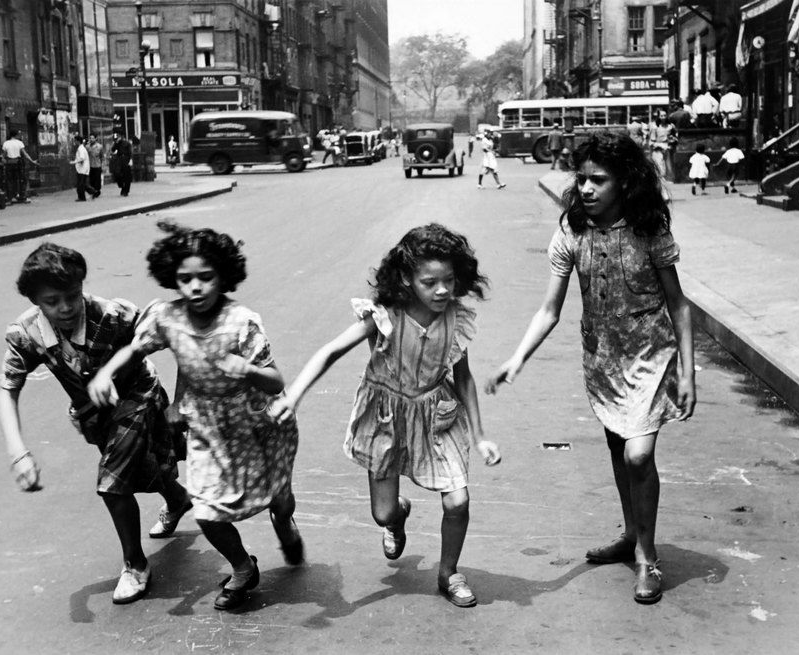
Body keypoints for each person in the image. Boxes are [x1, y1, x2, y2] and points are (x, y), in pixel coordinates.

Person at [486, 132, 695, 605]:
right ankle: (629, 533)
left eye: (598, 180)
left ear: (625, 182)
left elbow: (680, 306)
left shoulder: (649, 230)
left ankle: (646, 556)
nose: (585, 188)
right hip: (602, 359)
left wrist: (688, 370)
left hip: (650, 355)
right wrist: (516, 360)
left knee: (638, 456)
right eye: (581, 178)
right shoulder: (571, 233)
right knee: (619, 447)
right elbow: (549, 310)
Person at [269, 223, 501, 608]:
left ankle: (448, 572)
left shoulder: (455, 319)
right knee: (382, 512)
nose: (442, 290)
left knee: (457, 501)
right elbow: (329, 352)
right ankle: (398, 516)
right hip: (386, 419)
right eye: (430, 282)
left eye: (448, 280)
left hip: (436, 416)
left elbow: (464, 378)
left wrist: (480, 436)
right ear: (408, 280)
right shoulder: (384, 316)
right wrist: (293, 396)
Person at [88, 222, 304, 611]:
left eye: (206, 277)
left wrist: (248, 370)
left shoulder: (242, 322)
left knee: (279, 498)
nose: (196, 288)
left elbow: (275, 381)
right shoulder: (166, 317)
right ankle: (242, 568)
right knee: (206, 511)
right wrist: (106, 373)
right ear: (173, 278)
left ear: (224, 275)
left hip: (257, 422)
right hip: (206, 427)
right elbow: (135, 350)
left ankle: (285, 524)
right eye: (185, 279)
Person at [0, 243, 192, 605]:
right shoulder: (26, 333)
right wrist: (18, 453)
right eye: (52, 301)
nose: (66, 307)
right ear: (35, 301)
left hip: (139, 397)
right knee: (145, 469)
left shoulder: (116, 315)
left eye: (72, 296)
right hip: (95, 414)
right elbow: (8, 390)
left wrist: (180, 401)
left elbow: (179, 340)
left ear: (82, 286)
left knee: (112, 484)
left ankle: (135, 565)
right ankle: (178, 499)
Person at [2, 129, 37, 204]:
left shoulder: (6, 143)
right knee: (21, 180)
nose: (20, 135)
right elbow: (25, 154)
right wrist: (32, 161)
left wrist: (4, 161)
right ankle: (22, 196)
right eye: (19, 134)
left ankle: (10, 198)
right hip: (18, 163)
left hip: (9, 163)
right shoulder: (19, 143)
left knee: (9, 181)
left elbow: (4, 155)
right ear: (16, 135)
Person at [647, 112, 676, 181]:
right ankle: (660, 179)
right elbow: (652, 141)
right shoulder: (655, 127)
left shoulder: (670, 126)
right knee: (660, 165)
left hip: (668, 148)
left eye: (665, 115)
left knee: (669, 166)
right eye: (661, 116)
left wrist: (672, 141)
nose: (663, 117)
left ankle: (670, 179)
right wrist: (657, 146)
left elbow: (675, 136)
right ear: (659, 117)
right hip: (658, 148)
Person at [70, 135, 97, 202]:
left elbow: (82, 158)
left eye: (75, 141)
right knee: (83, 184)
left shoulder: (81, 149)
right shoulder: (81, 148)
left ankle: (82, 197)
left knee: (80, 184)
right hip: (83, 169)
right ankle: (93, 192)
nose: (75, 142)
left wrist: (74, 162)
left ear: (78, 141)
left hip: (82, 169)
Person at [110, 131, 133, 197]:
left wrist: (130, 160)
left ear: (122, 136)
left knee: (126, 176)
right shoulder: (117, 143)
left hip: (126, 160)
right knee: (117, 174)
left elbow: (130, 152)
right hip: (119, 159)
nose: (118, 138)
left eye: (119, 136)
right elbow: (113, 150)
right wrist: (116, 143)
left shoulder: (127, 143)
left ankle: (126, 190)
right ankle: (122, 185)